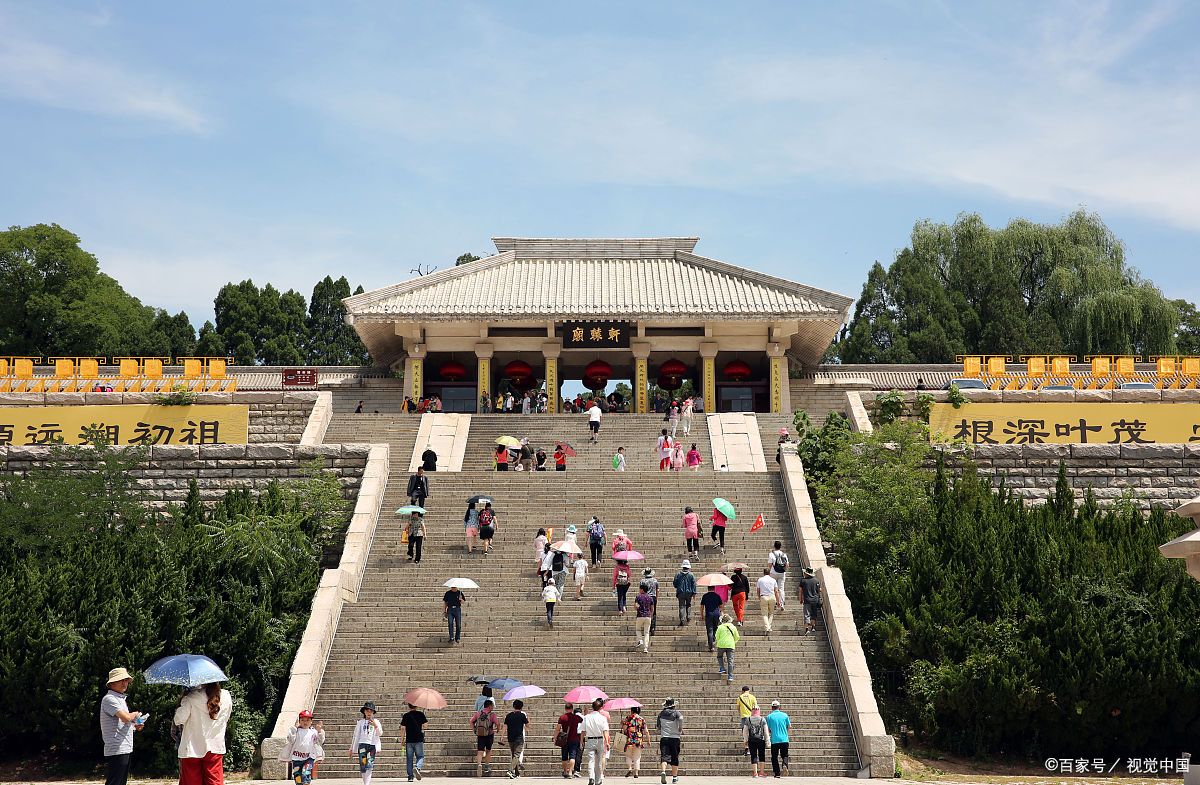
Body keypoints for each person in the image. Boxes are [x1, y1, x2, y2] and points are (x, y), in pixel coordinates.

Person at [175, 681, 233, 785]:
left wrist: (182, 701)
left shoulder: (191, 697)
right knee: (214, 782)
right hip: (215, 746)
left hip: (192, 748)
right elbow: (226, 718)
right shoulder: (226, 696)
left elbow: (179, 720)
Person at [99, 667, 143, 785]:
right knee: (115, 781)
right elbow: (126, 717)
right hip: (117, 748)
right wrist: (135, 714)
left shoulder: (120, 699)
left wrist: (136, 725)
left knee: (120, 781)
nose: (125, 683)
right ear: (112, 683)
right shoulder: (109, 699)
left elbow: (124, 722)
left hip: (124, 747)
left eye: (126, 680)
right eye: (121, 680)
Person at [280, 710, 324, 785]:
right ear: (299, 721)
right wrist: (294, 728)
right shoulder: (296, 731)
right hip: (296, 758)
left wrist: (319, 731)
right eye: (302, 720)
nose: (305, 722)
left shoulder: (313, 732)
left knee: (306, 772)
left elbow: (319, 742)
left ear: (311, 721)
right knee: (297, 775)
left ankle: (306, 783)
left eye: (307, 720)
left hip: (309, 757)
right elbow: (290, 739)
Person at [351, 702, 385, 784]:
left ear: (373, 712)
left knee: (369, 765)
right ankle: (365, 782)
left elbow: (380, 733)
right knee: (363, 765)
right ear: (364, 712)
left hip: (371, 746)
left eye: (371, 711)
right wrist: (352, 748)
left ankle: (367, 783)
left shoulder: (376, 721)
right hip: (362, 745)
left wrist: (375, 726)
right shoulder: (360, 722)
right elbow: (356, 735)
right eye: (367, 710)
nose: (369, 712)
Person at [582, 698, 611, 785]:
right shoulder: (603, 718)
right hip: (600, 740)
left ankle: (591, 777)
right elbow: (605, 731)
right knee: (598, 761)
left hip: (590, 740)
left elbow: (583, 731)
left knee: (591, 760)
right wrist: (607, 742)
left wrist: (581, 741)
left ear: (592, 707)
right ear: (600, 707)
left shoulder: (586, 717)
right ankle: (598, 780)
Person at [471, 698, 502, 776]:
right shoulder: (492, 715)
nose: (493, 707)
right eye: (492, 705)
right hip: (489, 734)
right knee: (488, 750)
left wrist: (474, 729)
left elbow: (471, 721)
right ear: (489, 706)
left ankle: (479, 765)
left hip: (480, 735)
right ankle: (487, 766)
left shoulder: (478, 713)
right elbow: (497, 723)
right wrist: (498, 729)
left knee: (480, 751)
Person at [655, 698, 683, 785]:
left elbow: (658, 727)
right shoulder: (676, 713)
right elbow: (681, 718)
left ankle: (663, 771)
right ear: (673, 705)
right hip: (675, 738)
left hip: (664, 738)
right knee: (674, 757)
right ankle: (674, 778)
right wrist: (680, 728)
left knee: (664, 756)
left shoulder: (661, 714)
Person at [555, 703, 584, 779]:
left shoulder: (562, 717)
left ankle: (565, 771)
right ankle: (570, 772)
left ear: (565, 708)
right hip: (574, 739)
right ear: (572, 709)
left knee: (564, 757)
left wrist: (555, 737)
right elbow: (582, 727)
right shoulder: (577, 717)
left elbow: (558, 729)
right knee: (572, 756)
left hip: (564, 740)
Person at [399, 702, 426, 782]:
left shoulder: (406, 715)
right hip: (418, 740)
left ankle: (410, 777)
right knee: (420, 756)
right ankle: (417, 767)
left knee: (409, 759)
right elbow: (426, 726)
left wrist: (402, 739)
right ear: (417, 706)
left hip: (409, 740)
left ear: (409, 706)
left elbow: (403, 728)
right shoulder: (421, 714)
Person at [502, 699, 529, 778]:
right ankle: (510, 770)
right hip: (519, 738)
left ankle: (516, 773)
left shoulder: (509, 715)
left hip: (510, 738)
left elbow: (505, 726)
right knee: (517, 755)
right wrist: (528, 719)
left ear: (513, 706)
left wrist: (502, 736)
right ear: (521, 707)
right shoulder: (522, 715)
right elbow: (527, 726)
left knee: (514, 755)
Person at [620, 705, 648, 778]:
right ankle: (636, 773)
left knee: (628, 755)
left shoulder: (628, 718)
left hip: (629, 740)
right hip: (638, 740)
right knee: (637, 757)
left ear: (632, 711)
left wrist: (622, 724)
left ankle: (629, 768)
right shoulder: (641, 719)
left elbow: (625, 729)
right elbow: (646, 731)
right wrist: (648, 740)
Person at [766, 701, 790, 777]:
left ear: (772, 707)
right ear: (779, 707)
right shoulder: (785, 715)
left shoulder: (769, 717)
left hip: (774, 740)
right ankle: (785, 764)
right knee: (785, 755)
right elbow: (789, 726)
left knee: (774, 757)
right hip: (784, 739)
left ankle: (777, 773)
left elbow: (768, 729)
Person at [743, 707, 768, 778]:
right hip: (761, 740)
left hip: (751, 740)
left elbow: (745, 731)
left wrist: (745, 740)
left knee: (753, 755)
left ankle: (755, 773)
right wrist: (767, 741)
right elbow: (766, 732)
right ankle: (762, 772)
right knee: (762, 755)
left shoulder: (748, 719)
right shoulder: (763, 719)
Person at [715, 614, 740, 682]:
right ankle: (730, 676)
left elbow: (717, 636)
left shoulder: (720, 627)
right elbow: (737, 637)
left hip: (721, 645)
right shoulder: (733, 627)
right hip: (731, 645)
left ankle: (722, 668)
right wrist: (733, 642)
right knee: (730, 661)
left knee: (719, 656)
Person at [756, 569, 781, 634]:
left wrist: (759, 597)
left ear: (763, 573)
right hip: (772, 597)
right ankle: (768, 627)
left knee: (764, 614)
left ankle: (767, 627)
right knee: (771, 613)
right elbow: (776, 591)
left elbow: (758, 590)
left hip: (763, 596)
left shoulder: (760, 580)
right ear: (769, 573)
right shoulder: (773, 580)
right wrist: (778, 601)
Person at [700, 585, 724, 651]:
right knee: (716, 628)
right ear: (714, 588)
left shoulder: (705, 596)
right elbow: (721, 606)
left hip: (708, 614)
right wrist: (720, 612)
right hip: (716, 614)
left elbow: (702, 606)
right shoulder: (717, 596)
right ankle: (713, 639)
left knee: (709, 630)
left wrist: (702, 615)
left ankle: (711, 647)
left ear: (708, 588)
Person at [672, 560, 696, 625]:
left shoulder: (678, 574)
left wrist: (678, 587)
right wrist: (694, 593)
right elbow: (694, 584)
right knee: (688, 605)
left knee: (681, 606)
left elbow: (674, 583)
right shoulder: (691, 575)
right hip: (689, 593)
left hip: (680, 592)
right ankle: (688, 616)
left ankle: (682, 619)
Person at [799, 567, 823, 634]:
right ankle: (813, 627)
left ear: (806, 573)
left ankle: (807, 629)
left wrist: (800, 599)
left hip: (807, 600)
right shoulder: (816, 580)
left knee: (807, 614)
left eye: (805, 573)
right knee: (814, 614)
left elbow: (800, 591)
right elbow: (819, 590)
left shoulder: (803, 581)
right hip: (815, 600)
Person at [634, 582, 655, 652]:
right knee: (646, 633)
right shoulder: (650, 598)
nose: (639, 590)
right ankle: (645, 648)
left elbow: (636, 606)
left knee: (638, 629)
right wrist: (651, 615)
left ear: (642, 590)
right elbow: (652, 608)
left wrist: (637, 607)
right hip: (648, 616)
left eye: (640, 589)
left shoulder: (638, 597)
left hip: (640, 616)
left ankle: (640, 640)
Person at [767, 543, 789, 607]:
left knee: (773, 588)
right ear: (780, 547)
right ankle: (782, 604)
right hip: (782, 573)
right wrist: (783, 569)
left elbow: (770, 565)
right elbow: (787, 565)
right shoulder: (784, 554)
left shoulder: (771, 554)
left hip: (773, 573)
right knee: (781, 589)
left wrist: (770, 571)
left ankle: (774, 603)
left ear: (774, 546)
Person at [642, 568, 659, 635]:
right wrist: (656, 598)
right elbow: (657, 590)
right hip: (653, 597)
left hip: (645, 597)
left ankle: (647, 627)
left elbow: (641, 591)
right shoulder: (655, 580)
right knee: (653, 612)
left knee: (645, 612)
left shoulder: (642, 581)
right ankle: (653, 627)